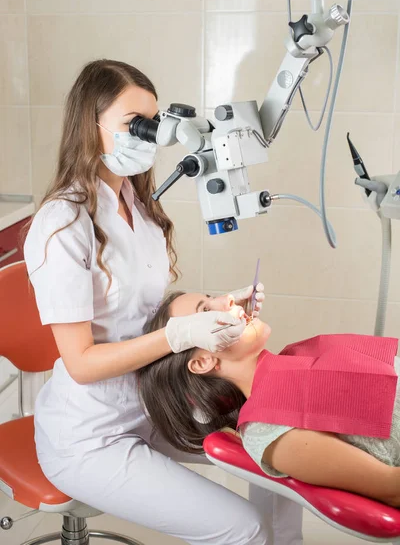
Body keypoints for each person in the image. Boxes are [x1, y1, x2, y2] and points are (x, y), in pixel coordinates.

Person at [24, 59, 304, 545]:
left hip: (153, 404)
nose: (148, 138)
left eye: (153, 126)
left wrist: (208, 309)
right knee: (244, 528)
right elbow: (83, 364)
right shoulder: (63, 223)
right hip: (91, 435)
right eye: (135, 125)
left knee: (278, 461)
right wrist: (180, 335)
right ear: (90, 126)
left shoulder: (141, 209)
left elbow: (144, 312)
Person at [138, 290, 400, 508]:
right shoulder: (271, 431)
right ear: (204, 361)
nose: (228, 299)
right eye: (206, 311)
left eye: (213, 296)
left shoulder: (297, 358)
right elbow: (393, 488)